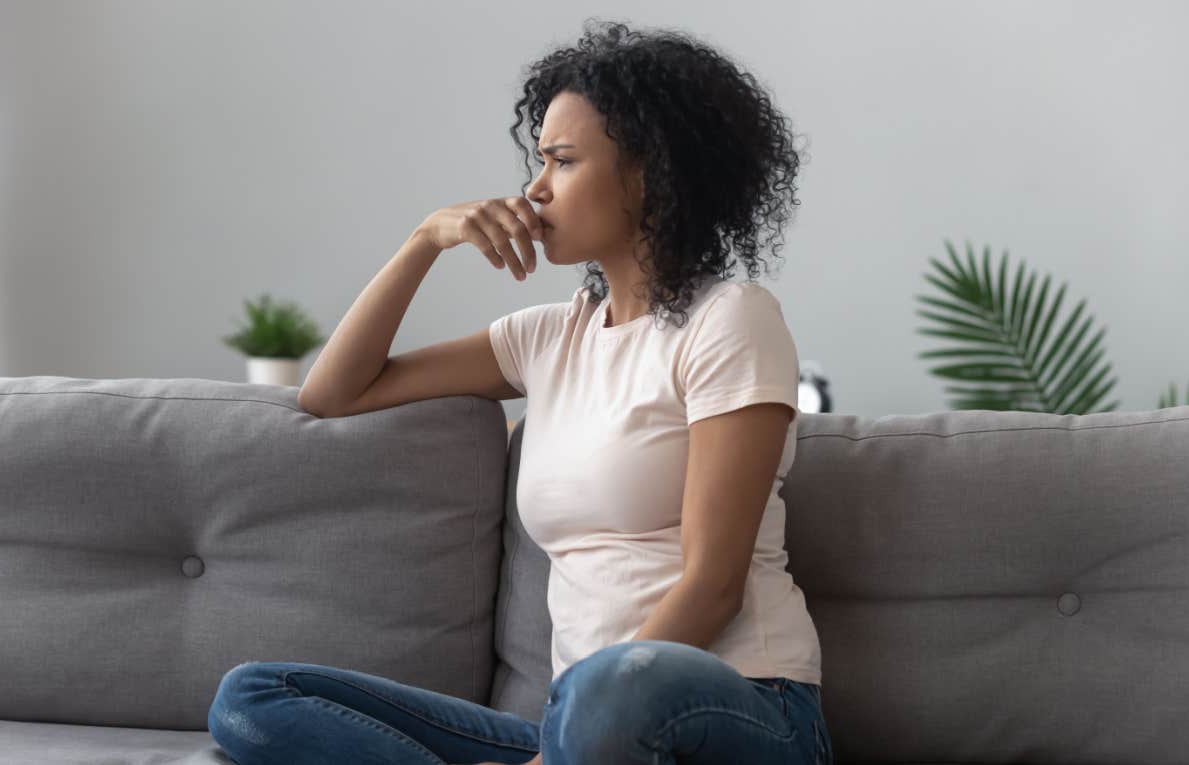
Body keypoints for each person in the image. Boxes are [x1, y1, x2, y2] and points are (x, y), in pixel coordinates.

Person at [208, 18, 832, 765]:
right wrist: (426, 240)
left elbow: (715, 582)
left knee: (609, 693)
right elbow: (334, 392)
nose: (534, 189)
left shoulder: (730, 320)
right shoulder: (547, 337)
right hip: (577, 730)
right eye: (539, 161)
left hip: (741, 705)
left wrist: (584, 719)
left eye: (563, 161)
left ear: (649, 176)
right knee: (254, 697)